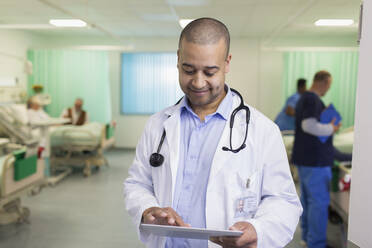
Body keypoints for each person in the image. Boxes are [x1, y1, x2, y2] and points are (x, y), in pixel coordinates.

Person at [124, 17, 302, 248]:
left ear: (227, 63)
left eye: (210, 72)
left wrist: (258, 230)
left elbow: (283, 201)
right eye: (189, 70)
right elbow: (137, 183)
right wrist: (148, 208)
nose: (198, 82)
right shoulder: (158, 125)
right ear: (178, 59)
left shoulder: (263, 131)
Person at [292, 70, 341, 248]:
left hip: (306, 160)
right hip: (316, 162)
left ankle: (307, 238)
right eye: (329, 85)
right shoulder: (312, 99)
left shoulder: (304, 98)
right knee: (318, 204)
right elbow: (309, 125)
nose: (328, 89)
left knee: (308, 201)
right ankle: (316, 244)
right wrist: (331, 127)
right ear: (325, 83)